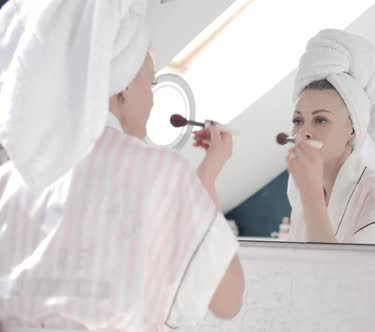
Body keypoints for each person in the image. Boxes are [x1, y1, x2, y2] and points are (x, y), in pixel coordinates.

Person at [0, 1, 243, 330]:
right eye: (151, 83)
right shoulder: (161, 175)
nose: (153, 98)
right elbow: (228, 300)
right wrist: (207, 180)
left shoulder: (9, 181)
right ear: (125, 85)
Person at [286, 29, 375, 245]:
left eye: (321, 120)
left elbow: (341, 276)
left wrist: (310, 193)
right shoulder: (303, 204)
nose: (305, 132)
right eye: (298, 121)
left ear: (353, 130)